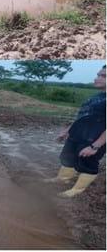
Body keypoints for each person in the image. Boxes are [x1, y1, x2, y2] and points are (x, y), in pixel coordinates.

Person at [45, 65, 106, 197]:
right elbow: (82, 116)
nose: (97, 78)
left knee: (87, 164)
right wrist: (67, 131)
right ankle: (63, 179)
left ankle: (77, 190)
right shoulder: (97, 96)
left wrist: (95, 146)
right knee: (68, 158)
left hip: (93, 139)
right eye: (98, 75)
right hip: (76, 136)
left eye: (104, 76)